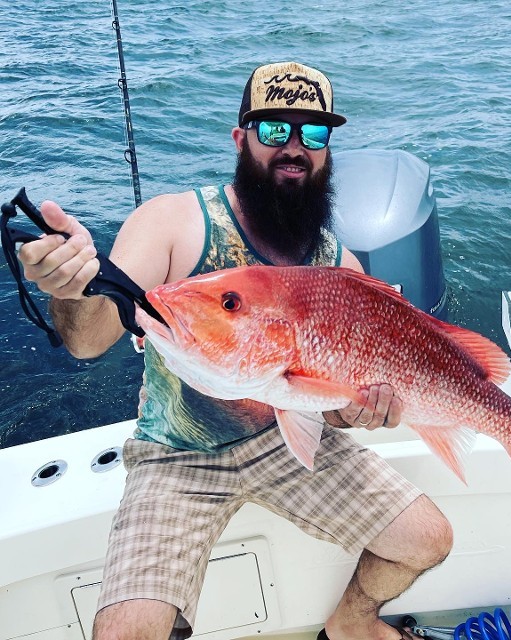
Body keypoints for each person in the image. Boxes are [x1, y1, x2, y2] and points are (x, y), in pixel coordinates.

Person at [18, 61, 453, 640]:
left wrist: (354, 411)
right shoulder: (174, 223)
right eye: (274, 129)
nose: (294, 148)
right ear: (241, 136)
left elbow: (324, 403)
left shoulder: (336, 264)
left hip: (287, 440)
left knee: (429, 540)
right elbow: (88, 341)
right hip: (176, 454)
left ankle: (351, 623)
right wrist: (74, 290)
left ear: (327, 150)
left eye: (314, 134)